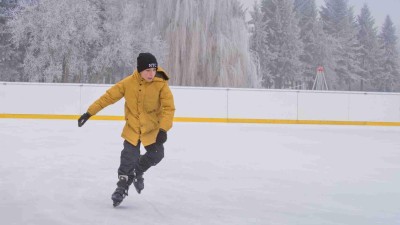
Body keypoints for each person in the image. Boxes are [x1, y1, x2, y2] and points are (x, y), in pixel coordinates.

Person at [77, 53, 175, 206]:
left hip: (151, 129)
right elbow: (108, 97)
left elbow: (169, 109)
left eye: (154, 70)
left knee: (157, 154)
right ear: (140, 70)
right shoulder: (128, 83)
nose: (151, 74)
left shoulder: (161, 84)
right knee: (128, 157)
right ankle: (122, 187)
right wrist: (89, 112)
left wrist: (163, 129)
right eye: (147, 71)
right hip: (133, 128)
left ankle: (138, 171)